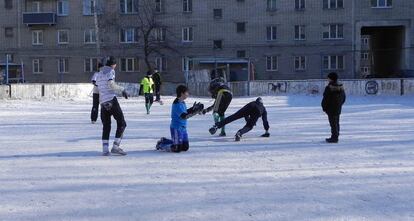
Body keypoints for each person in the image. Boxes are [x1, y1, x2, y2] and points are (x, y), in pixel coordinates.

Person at [95, 56, 130, 156]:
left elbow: (98, 88)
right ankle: (116, 146)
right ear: (113, 64)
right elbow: (111, 85)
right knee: (122, 123)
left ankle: (105, 149)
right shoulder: (111, 71)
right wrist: (122, 90)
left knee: (106, 126)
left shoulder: (99, 73)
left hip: (103, 102)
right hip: (111, 100)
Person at [156, 85, 204, 153]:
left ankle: (165, 140)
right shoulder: (177, 104)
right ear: (182, 93)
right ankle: (161, 144)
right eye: (187, 93)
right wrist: (195, 112)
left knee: (185, 147)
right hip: (176, 128)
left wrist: (193, 109)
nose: (188, 94)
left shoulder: (182, 102)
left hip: (183, 128)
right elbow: (184, 116)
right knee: (177, 148)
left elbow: (185, 112)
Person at [321, 72, 346, 143]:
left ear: (331, 79)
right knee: (336, 122)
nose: (327, 79)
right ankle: (336, 135)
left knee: (333, 123)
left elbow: (326, 99)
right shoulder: (341, 87)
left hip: (331, 109)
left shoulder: (329, 88)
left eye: (328, 78)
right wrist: (339, 104)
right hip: (337, 108)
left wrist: (324, 107)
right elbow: (343, 98)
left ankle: (334, 137)